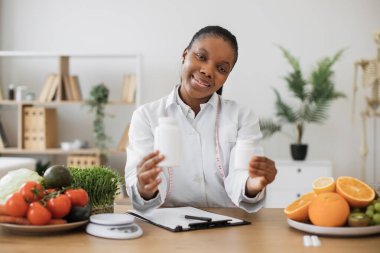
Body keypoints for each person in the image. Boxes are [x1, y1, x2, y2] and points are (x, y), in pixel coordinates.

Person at [125, 25, 277, 213]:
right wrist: (144, 187)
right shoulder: (146, 116)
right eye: (201, 57)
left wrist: (253, 184)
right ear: (185, 54)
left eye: (221, 68)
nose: (207, 70)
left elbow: (243, 174)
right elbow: (139, 183)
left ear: (226, 76)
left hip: (228, 227)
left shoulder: (242, 116)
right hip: (167, 229)